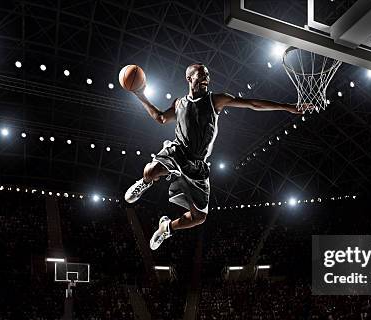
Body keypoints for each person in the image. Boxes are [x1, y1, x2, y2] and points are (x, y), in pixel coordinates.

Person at [125, 63, 310, 250]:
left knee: (199, 218)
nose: (206, 78)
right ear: (189, 78)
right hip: (179, 151)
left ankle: (167, 228)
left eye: (207, 75)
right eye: (201, 75)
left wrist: (287, 107)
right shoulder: (179, 103)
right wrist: (140, 95)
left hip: (198, 164)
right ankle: (145, 182)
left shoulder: (216, 100)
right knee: (152, 170)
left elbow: (253, 104)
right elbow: (161, 118)